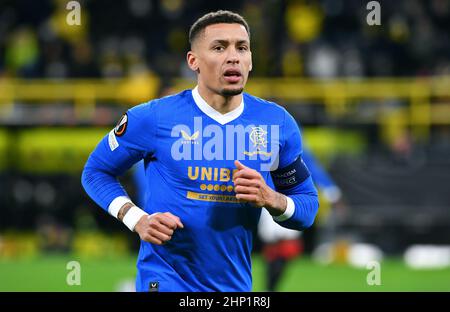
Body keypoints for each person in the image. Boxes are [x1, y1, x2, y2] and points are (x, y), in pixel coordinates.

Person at [81, 10, 319, 292]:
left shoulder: (276, 123)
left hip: (234, 287)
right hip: (165, 280)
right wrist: (136, 219)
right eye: (219, 47)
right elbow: (95, 172)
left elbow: (307, 208)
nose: (233, 57)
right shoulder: (153, 117)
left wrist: (272, 198)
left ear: (251, 59)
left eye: (242, 48)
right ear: (193, 61)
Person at [258, 148, 345, 291]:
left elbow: (309, 164)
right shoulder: (259, 135)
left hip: (288, 198)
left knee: (285, 247)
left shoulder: (289, 134)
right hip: (267, 196)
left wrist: (331, 192)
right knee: (274, 246)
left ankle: (270, 288)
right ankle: (269, 289)